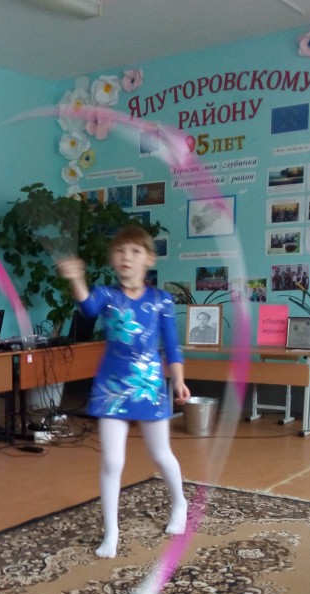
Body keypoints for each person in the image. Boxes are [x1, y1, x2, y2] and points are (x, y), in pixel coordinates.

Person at [56, 225, 191, 558]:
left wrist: (178, 380)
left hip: (149, 387)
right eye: (119, 251)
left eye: (135, 251)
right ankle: (112, 533)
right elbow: (88, 308)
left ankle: (179, 502)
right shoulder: (106, 295)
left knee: (161, 454)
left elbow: (172, 346)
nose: (126, 257)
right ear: (112, 259)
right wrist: (76, 278)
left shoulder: (161, 300)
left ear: (149, 259)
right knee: (112, 460)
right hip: (111, 388)